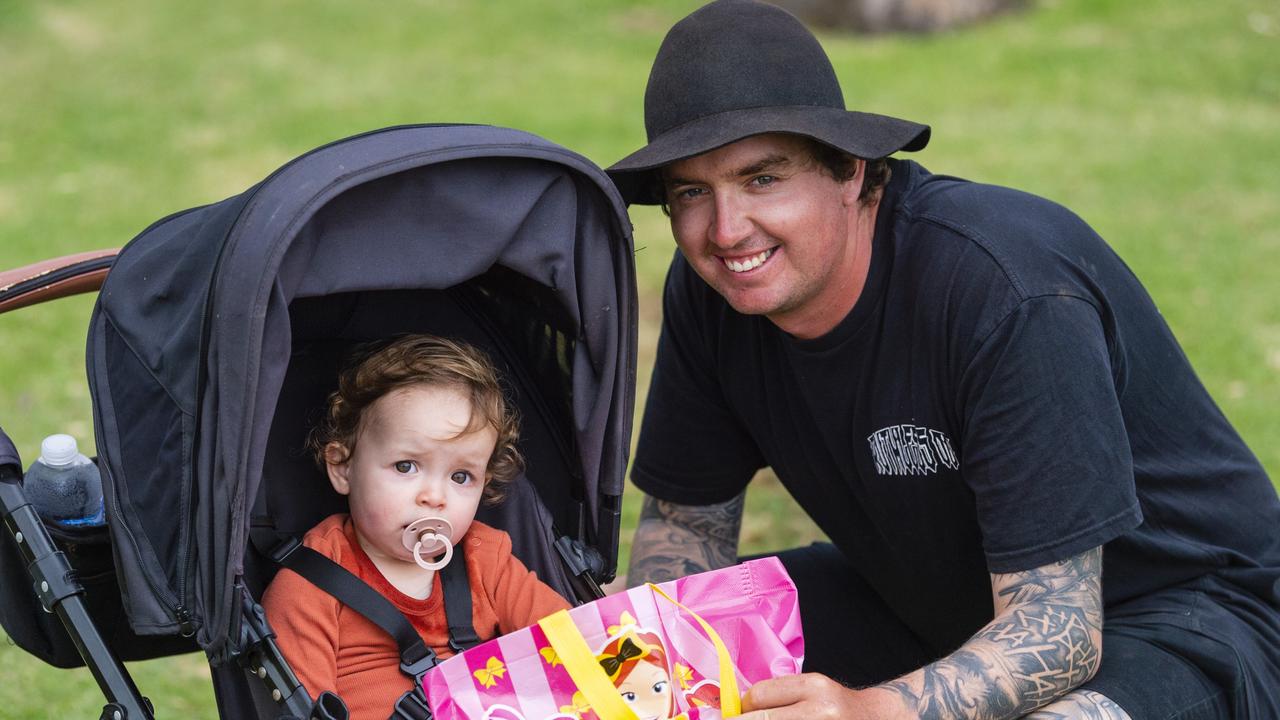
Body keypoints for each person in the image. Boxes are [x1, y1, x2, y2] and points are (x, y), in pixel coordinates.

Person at [606, 1, 1280, 718]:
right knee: (674, 640)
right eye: (691, 193)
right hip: (925, 596)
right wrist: (667, 677)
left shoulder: (1004, 290)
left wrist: (869, 710)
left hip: (1179, 619)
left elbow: (1057, 634)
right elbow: (686, 529)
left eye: (762, 179)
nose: (727, 229)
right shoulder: (716, 292)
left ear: (850, 170)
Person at [263, 334, 569, 719]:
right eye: (406, 466)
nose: (434, 496)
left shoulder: (487, 559)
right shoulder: (309, 587)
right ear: (343, 467)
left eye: (461, 476)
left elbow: (569, 646)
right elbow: (306, 710)